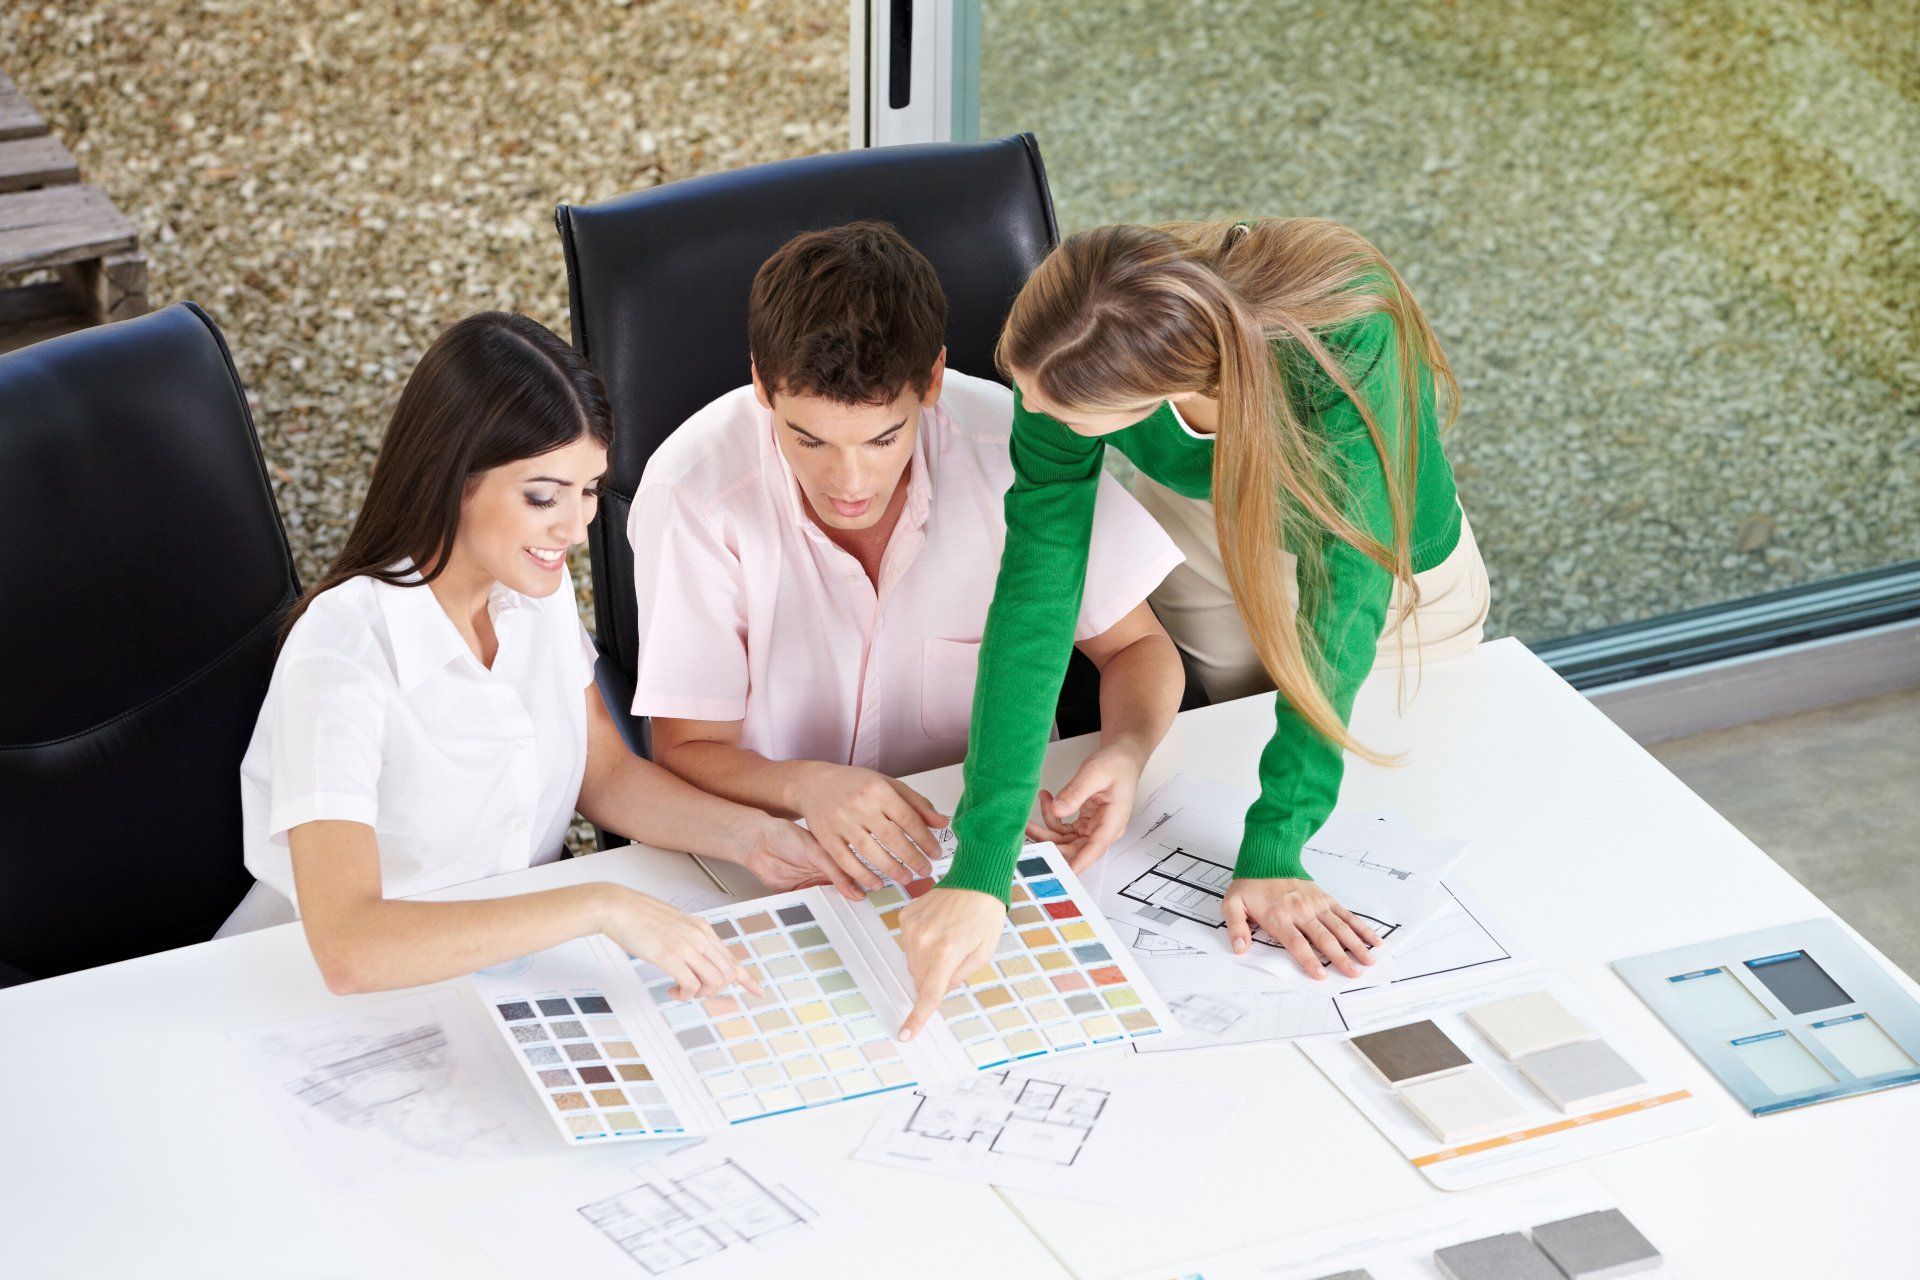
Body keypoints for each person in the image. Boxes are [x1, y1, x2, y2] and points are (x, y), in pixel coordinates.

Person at [899, 218, 1491, 1038]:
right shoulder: (1075, 345)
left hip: (1378, 564)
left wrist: (1275, 848)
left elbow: (1338, 606)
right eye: (1024, 386)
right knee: (1211, 758)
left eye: (1058, 408)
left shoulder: (1348, 332)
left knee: (1398, 812)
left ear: (1160, 390)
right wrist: (982, 859)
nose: (1029, 411)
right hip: (1209, 528)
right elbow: (1037, 594)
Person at [221, 312, 826, 1000]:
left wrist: (755, 838)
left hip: (499, 973)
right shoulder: (342, 657)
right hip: (320, 998)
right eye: (543, 496)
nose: (575, 527)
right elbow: (348, 947)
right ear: (453, 477)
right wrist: (601, 906)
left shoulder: (531, 589)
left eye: (589, 489)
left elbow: (605, 775)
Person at [628, 221, 1187, 897]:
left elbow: (1136, 648)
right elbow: (684, 748)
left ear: (931, 381)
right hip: (783, 851)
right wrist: (808, 786)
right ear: (761, 385)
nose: (849, 482)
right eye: (808, 441)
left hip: (990, 829)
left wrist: (1125, 751)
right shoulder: (694, 491)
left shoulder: (1016, 450)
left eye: (881, 439)